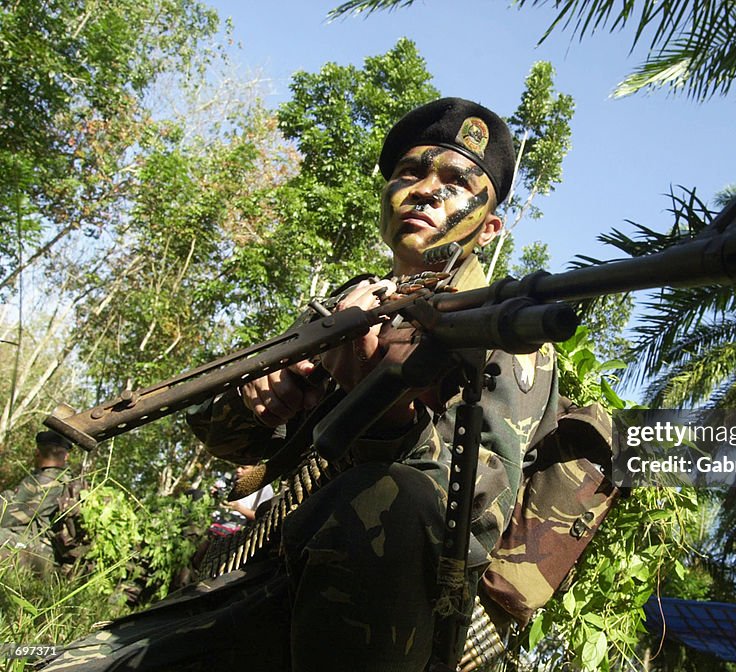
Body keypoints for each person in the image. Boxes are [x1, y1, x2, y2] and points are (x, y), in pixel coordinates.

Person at [44, 97, 560, 672]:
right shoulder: (351, 302)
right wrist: (258, 400)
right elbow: (230, 443)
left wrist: (384, 419)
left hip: (393, 613)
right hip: (267, 571)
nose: (425, 190)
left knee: (397, 497)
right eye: (410, 173)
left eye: (457, 183)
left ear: (488, 228)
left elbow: (467, 520)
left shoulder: (505, 330)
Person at [0, 430, 71, 572]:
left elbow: (6, 518)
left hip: (40, 554)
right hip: (54, 555)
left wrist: (6, 495)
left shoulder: (43, 482)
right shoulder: (70, 481)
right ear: (67, 456)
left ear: (37, 452)